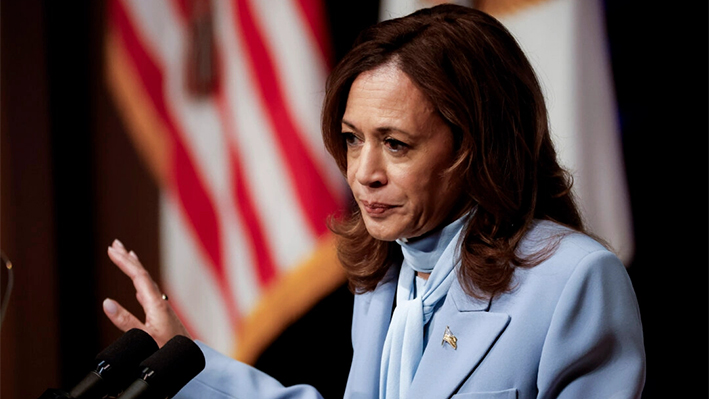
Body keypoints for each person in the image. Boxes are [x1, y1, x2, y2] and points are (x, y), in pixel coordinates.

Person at [103, 4, 646, 398]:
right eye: (352, 139)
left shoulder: (575, 280)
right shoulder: (389, 269)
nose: (363, 174)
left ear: (478, 146)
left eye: (395, 144)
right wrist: (185, 359)